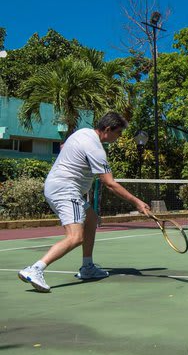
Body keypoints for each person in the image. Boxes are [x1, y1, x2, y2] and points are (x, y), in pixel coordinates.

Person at [18, 112, 151, 293]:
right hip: (66, 190)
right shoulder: (95, 148)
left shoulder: (82, 133)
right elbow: (109, 183)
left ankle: (87, 267)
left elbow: (66, 146)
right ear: (107, 129)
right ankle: (35, 269)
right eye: (118, 133)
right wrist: (137, 202)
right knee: (75, 237)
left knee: (91, 219)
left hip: (59, 186)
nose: (119, 137)